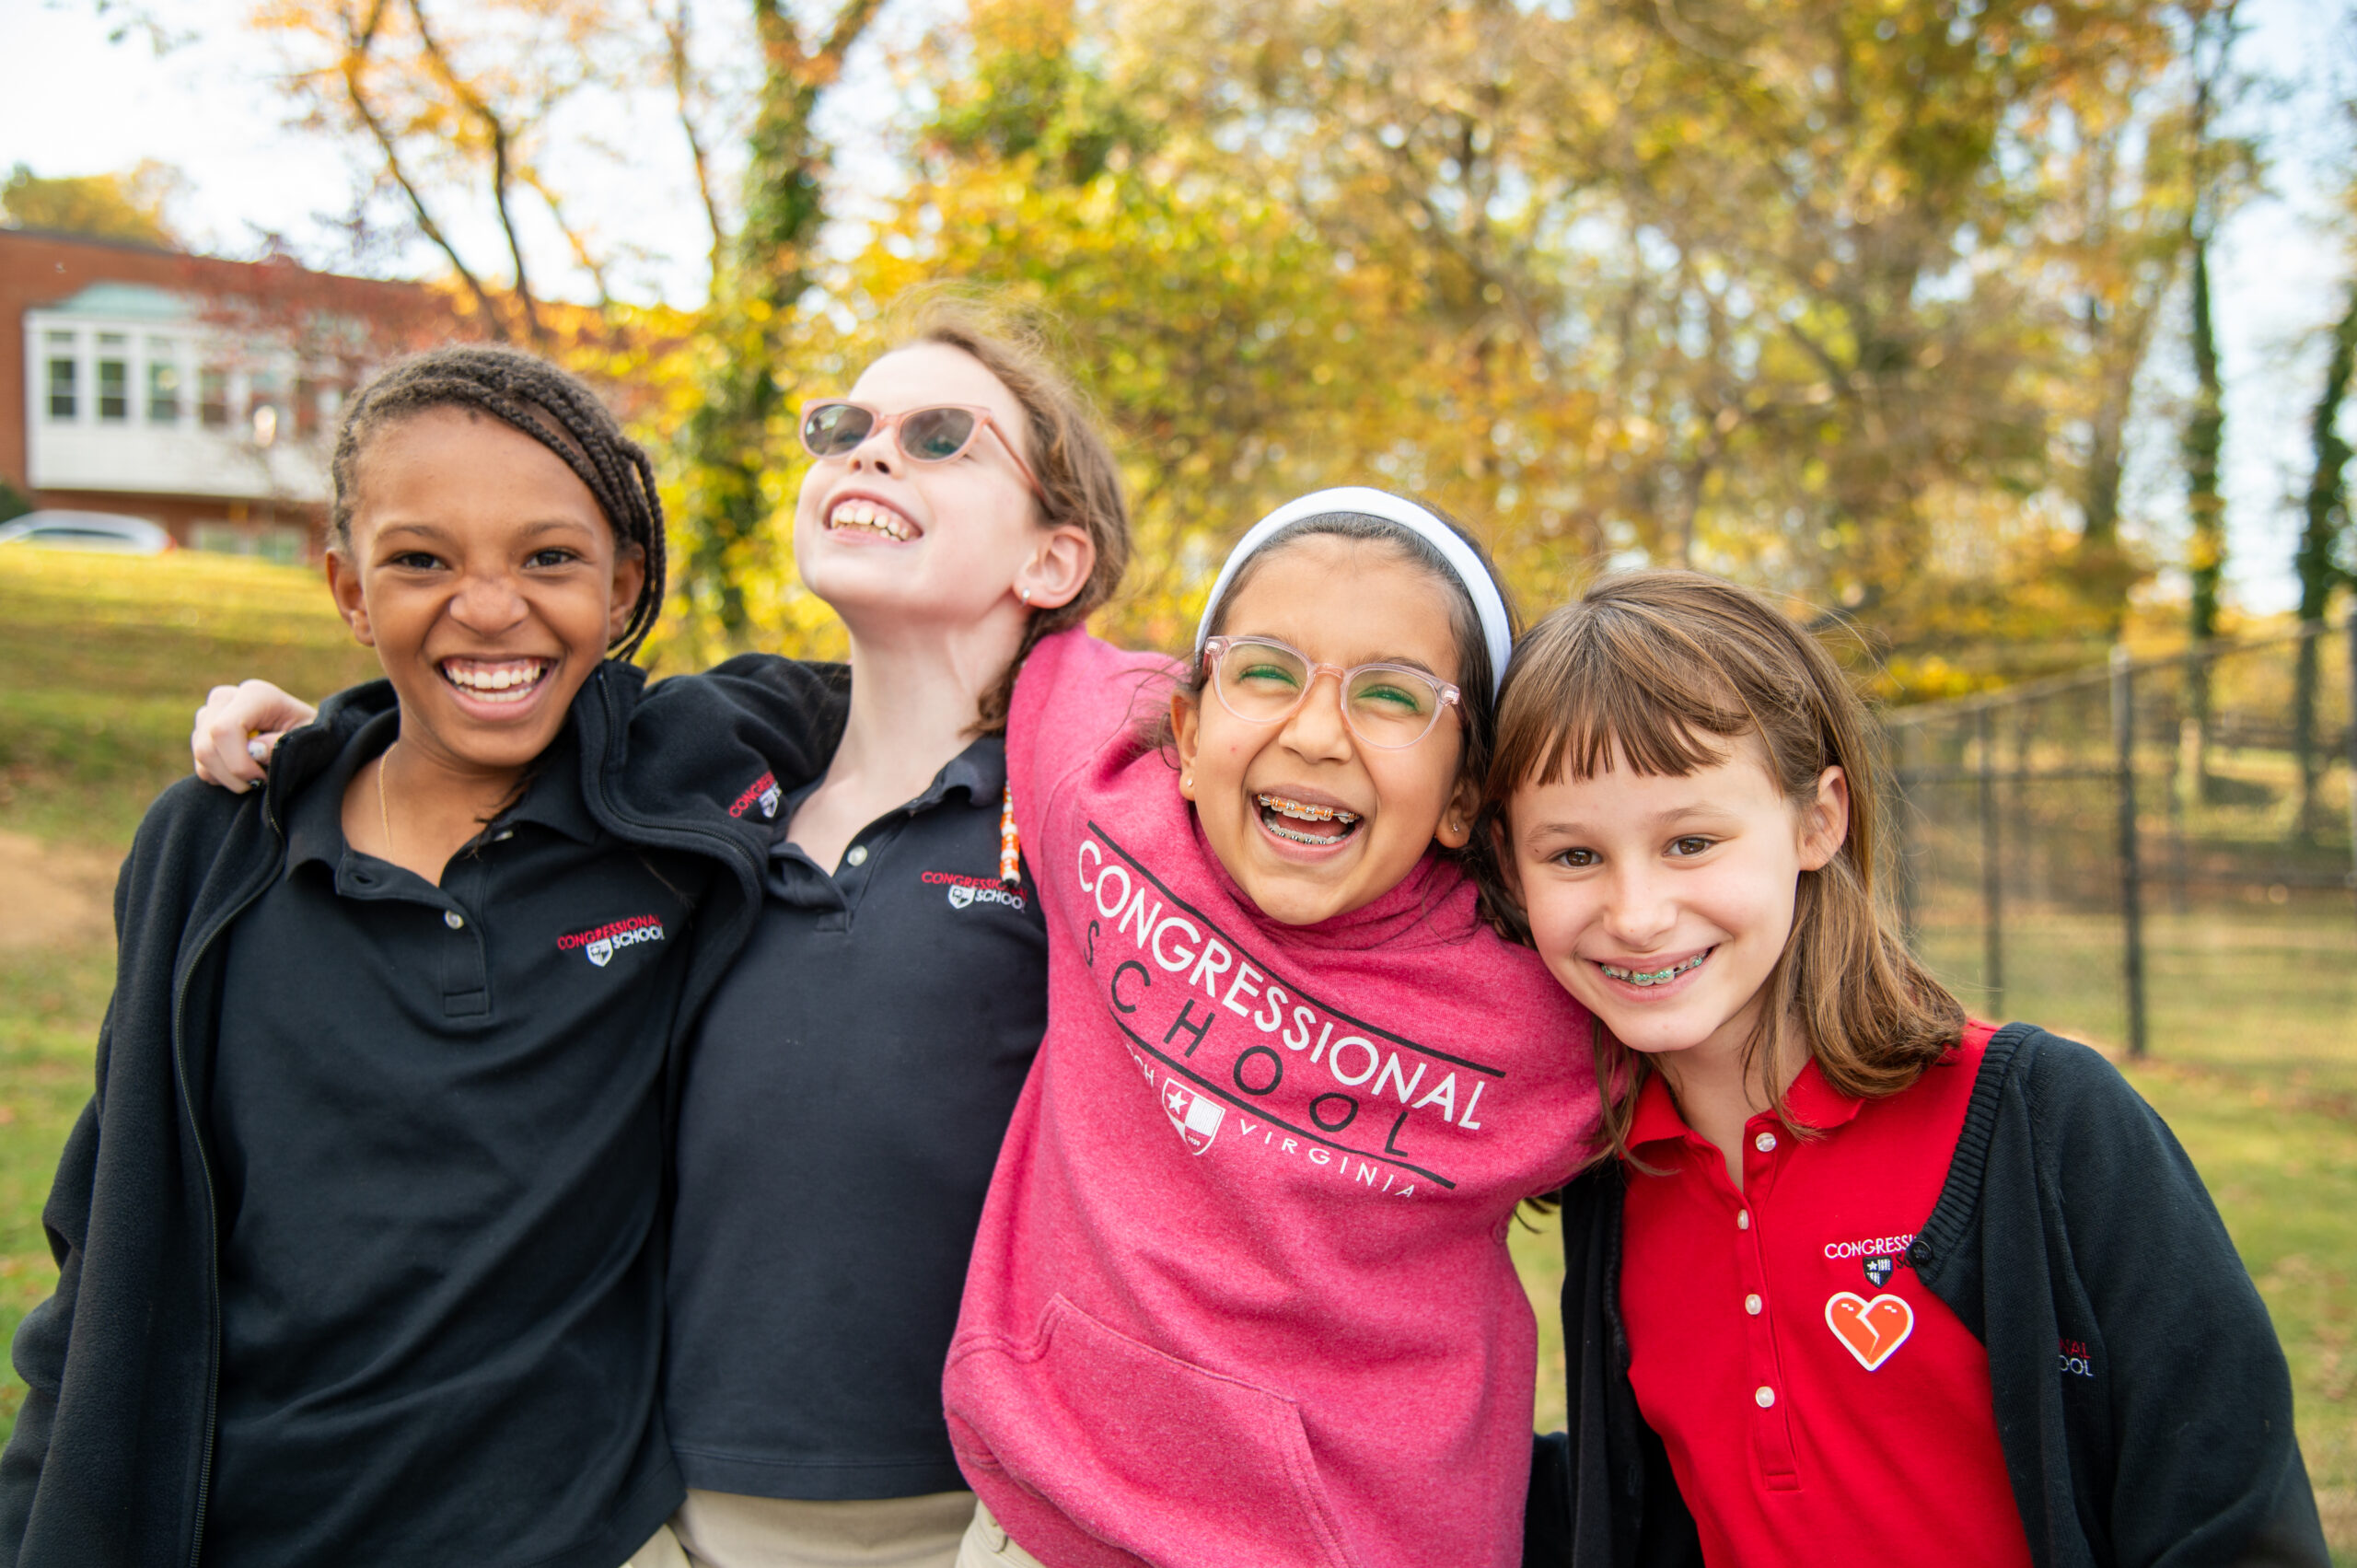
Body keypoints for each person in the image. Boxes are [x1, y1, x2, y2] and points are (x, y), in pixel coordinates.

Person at [184, 298, 1133, 1568]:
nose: (866, 452)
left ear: (1053, 561)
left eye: (941, 434)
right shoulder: (701, 793)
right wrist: (319, 739)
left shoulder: (1097, 820)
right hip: (670, 1506)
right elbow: (480, 697)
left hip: (968, 1511)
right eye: (845, 425)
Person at [0, 344, 842, 1568]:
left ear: (625, 583)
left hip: (574, 1535)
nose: (489, 605)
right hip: (241, 1522)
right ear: (348, 590)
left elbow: (958, 679)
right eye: (421, 560)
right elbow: (108, 1236)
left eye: (549, 556)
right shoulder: (215, 845)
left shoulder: (689, 777)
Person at [1493, 571, 2329, 1568]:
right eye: (1574, 856)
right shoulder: (1613, 1179)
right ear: (1511, 864)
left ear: (1819, 819)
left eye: (1691, 840)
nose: (1635, 912)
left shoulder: (2045, 1120)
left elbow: (2236, 1521)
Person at [944, 487, 1600, 1568]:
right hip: (1044, 1524)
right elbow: (1045, 643)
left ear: (1465, 792)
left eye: (1392, 696)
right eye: (1266, 671)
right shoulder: (1102, 809)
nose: (1315, 732)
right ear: (1190, 738)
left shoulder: (1552, 999)